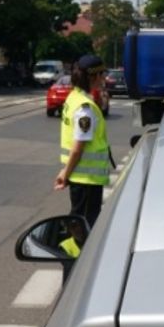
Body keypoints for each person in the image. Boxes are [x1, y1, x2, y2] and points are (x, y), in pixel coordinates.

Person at [54, 54, 111, 228]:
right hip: (87, 179)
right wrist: (65, 173)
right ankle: (77, 252)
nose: (105, 78)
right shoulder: (85, 108)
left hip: (82, 177)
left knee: (80, 219)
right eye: (102, 74)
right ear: (93, 76)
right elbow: (78, 146)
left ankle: (75, 250)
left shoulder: (74, 97)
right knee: (84, 223)